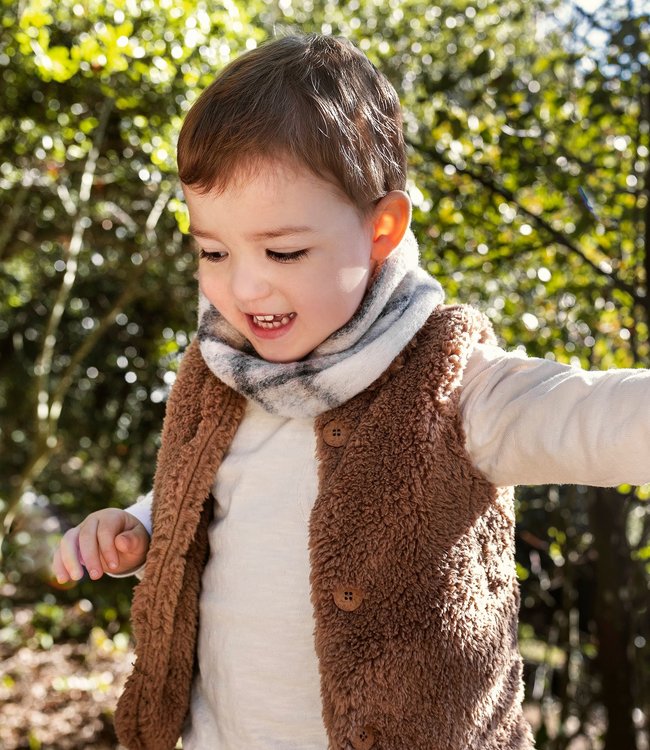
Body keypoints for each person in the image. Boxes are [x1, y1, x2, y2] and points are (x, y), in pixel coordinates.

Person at [52, 33, 650, 750]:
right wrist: (139, 529)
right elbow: (198, 499)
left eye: (284, 252)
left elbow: (587, 416)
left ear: (381, 229)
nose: (243, 287)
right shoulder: (220, 372)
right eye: (213, 251)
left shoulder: (448, 380)